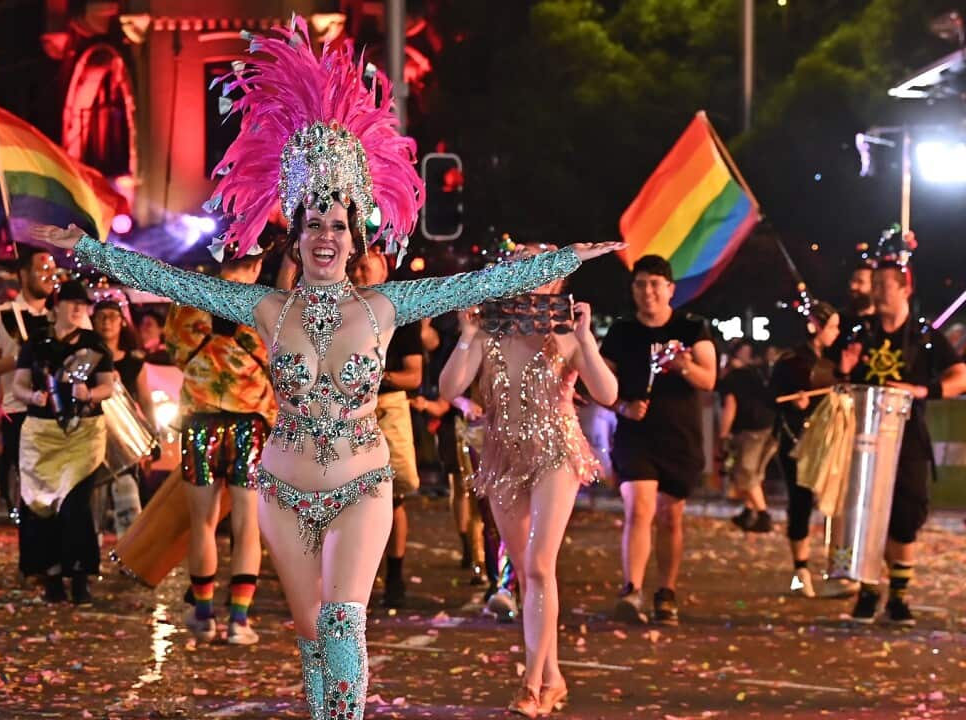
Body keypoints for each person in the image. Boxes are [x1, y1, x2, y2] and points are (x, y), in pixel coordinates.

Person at [33, 17, 621, 718]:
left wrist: (565, 262)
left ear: (354, 235)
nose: (325, 236)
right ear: (296, 233)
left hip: (360, 485)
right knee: (312, 638)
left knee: (344, 626)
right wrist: (90, 250)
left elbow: (475, 286)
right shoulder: (261, 309)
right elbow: (173, 280)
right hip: (281, 489)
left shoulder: (384, 306)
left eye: (338, 225)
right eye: (313, 223)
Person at [439, 245, 617, 716]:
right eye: (520, 268)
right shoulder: (487, 331)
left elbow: (607, 393)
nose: (529, 277)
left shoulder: (565, 332)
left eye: (541, 269)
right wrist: (467, 334)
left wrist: (585, 342)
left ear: (556, 282)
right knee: (528, 573)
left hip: (556, 450)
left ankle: (531, 682)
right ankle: (552, 676)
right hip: (502, 454)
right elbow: (448, 389)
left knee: (539, 565)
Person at [838, 247, 966, 624]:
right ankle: (867, 590)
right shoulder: (860, 331)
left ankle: (898, 597)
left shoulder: (926, 337)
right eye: (874, 285)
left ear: (904, 289)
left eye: (883, 285)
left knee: (905, 516)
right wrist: (842, 370)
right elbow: (826, 376)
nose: (876, 292)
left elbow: (960, 375)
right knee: (863, 513)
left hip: (907, 438)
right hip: (863, 437)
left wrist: (926, 391)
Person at [165, 246, 277, 646]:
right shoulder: (265, 306)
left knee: (204, 523)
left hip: (199, 423)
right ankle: (240, 622)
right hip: (250, 424)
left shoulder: (189, 302)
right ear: (258, 264)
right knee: (248, 525)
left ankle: (204, 616)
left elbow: (176, 353)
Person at [601, 255, 717, 626]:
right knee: (639, 507)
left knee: (670, 517)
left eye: (655, 284)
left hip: (680, 438)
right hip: (636, 436)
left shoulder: (693, 327)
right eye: (640, 284)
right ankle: (631, 589)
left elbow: (709, 379)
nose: (647, 291)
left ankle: (665, 591)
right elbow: (602, 384)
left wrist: (683, 364)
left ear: (670, 289)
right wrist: (622, 407)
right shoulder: (622, 332)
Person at [12, 279, 115, 604]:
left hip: (83, 434)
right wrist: (34, 396)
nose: (78, 310)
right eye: (72, 303)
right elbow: (19, 385)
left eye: (83, 305)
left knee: (76, 503)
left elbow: (107, 387)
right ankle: (51, 575)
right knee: (42, 506)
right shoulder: (36, 342)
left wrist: (90, 393)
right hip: (42, 434)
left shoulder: (95, 344)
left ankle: (80, 575)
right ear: (58, 305)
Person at [351, 248, 423, 608]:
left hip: (387, 407)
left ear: (384, 267)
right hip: (347, 411)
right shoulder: (339, 310)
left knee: (394, 498)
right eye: (356, 265)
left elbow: (415, 376)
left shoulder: (400, 314)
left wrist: (378, 376)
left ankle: (395, 575)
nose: (361, 272)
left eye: (368, 265)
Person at [769, 300, 846, 597]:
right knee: (799, 503)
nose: (836, 333)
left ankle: (839, 567)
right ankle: (800, 571)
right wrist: (794, 401)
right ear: (816, 326)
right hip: (796, 441)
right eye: (833, 327)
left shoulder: (833, 361)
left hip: (828, 441)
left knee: (834, 502)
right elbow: (771, 398)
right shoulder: (790, 362)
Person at [0, 248, 59, 520]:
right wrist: (18, 359)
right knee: (29, 488)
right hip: (19, 411)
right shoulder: (1, 315)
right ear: (23, 273)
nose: (49, 275)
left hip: (58, 411)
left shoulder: (62, 315)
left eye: (52, 269)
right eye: (41, 268)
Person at [717, 339, 777, 533]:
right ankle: (748, 512)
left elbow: (730, 405)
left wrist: (723, 433)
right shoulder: (755, 373)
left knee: (745, 472)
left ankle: (763, 515)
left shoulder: (732, 378)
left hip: (751, 429)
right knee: (755, 472)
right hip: (771, 426)